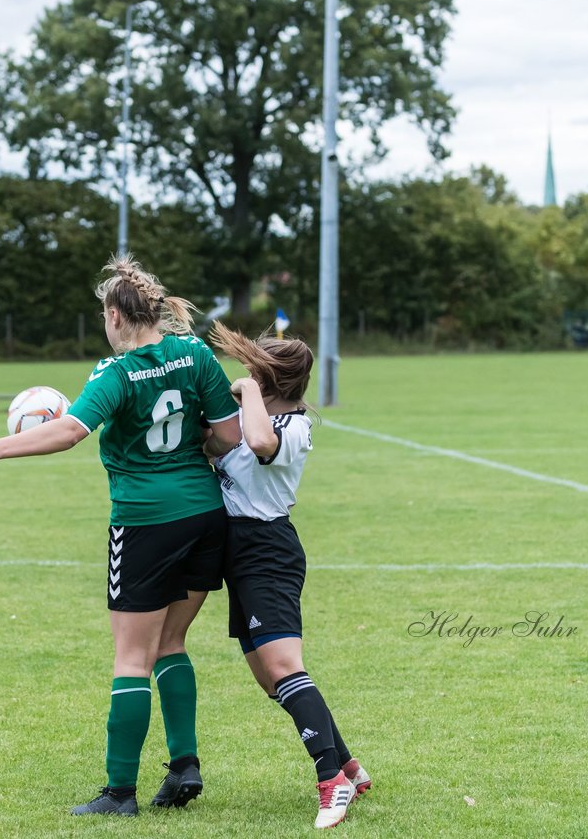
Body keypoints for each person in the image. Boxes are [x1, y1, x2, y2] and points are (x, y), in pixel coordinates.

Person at [0, 256, 241, 817]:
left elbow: (68, 432)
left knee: (131, 656)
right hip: (206, 516)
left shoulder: (112, 373)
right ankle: (184, 764)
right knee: (170, 644)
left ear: (115, 315)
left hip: (143, 522)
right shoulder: (197, 356)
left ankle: (119, 793)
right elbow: (229, 437)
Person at [205, 321, 370, 830]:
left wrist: (248, 389)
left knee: (282, 666)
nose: (245, 374)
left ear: (270, 380)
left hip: (267, 551)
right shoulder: (247, 411)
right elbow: (216, 444)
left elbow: (258, 443)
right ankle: (349, 767)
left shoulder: (293, 428)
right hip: (236, 551)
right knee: (269, 678)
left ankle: (330, 782)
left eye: (254, 370)